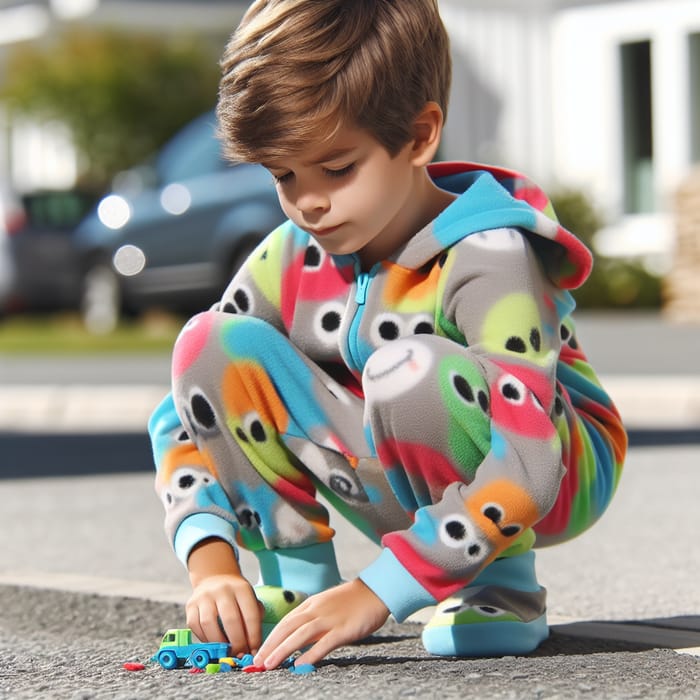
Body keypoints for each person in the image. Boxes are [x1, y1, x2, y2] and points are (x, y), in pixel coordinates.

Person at [149, 0, 627, 671]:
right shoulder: (292, 253)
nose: (308, 203)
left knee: (409, 369)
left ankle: (498, 585)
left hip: (549, 463)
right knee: (208, 343)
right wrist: (210, 561)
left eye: (337, 169)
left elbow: (529, 462)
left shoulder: (488, 253)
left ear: (420, 133)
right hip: (391, 453)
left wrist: (380, 590)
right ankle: (296, 579)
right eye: (285, 175)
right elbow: (184, 410)